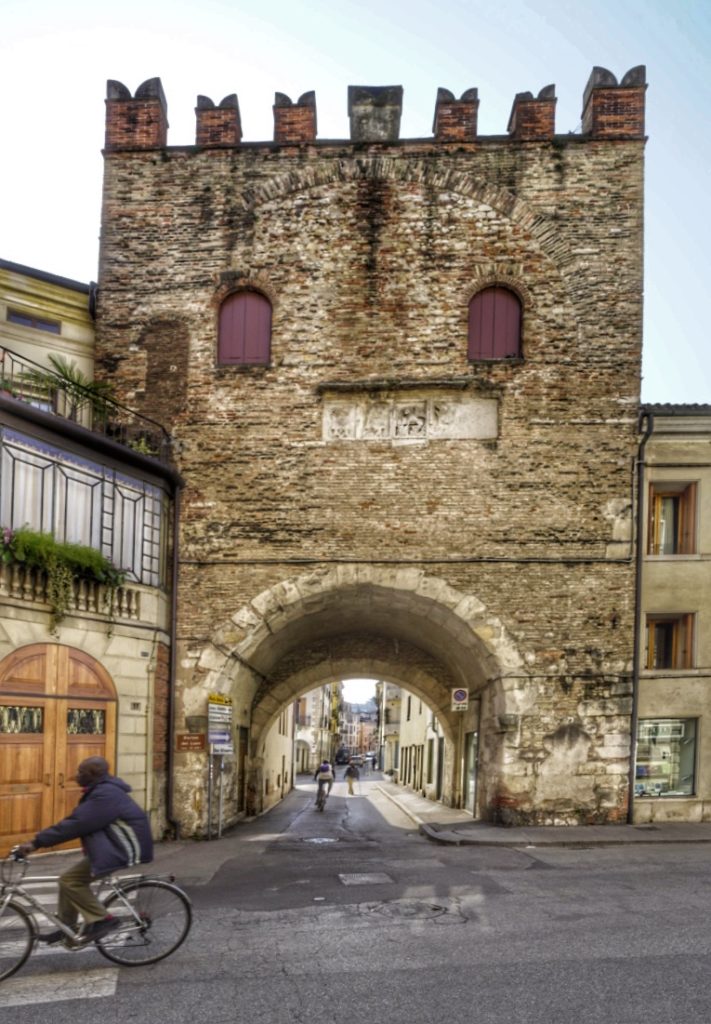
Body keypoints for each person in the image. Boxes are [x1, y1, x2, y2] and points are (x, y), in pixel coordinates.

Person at [17, 755, 153, 944]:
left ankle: (103, 919)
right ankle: (67, 927)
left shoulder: (106, 795)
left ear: (93, 773)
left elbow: (78, 824)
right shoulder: (101, 790)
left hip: (123, 848)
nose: (76, 775)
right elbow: (79, 821)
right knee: (68, 880)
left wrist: (36, 843)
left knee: (71, 881)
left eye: (80, 772)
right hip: (112, 845)